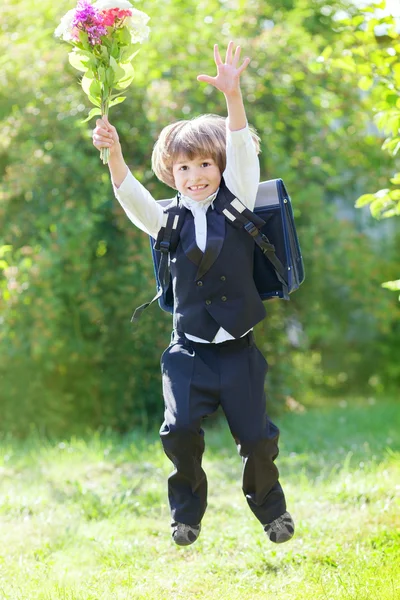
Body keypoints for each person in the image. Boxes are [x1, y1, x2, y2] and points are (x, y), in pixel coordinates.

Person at [92, 41, 294, 547]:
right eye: (184, 168)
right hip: (188, 354)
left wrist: (233, 97)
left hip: (239, 354)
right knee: (179, 433)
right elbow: (133, 198)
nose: (196, 176)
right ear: (171, 174)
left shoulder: (237, 202)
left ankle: (272, 512)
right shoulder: (169, 221)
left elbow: (243, 149)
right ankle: (186, 515)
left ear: (219, 167)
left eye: (205, 164)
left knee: (258, 441)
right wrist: (114, 155)